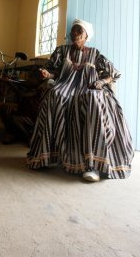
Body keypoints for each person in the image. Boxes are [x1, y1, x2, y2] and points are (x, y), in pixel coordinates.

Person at [26, 19, 134, 181]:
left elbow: (113, 74)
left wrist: (101, 82)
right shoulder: (62, 51)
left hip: (88, 87)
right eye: (73, 30)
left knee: (92, 99)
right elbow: (53, 71)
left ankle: (93, 165)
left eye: (79, 31)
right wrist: (48, 74)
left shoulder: (95, 53)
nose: (75, 33)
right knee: (55, 95)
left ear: (86, 35)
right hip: (65, 86)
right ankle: (47, 156)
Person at [0, 69, 52, 145]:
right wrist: (9, 81)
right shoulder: (29, 85)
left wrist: (10, 84)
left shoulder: (39, 89)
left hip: (31, 119)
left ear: (38, 80)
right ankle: (11, 133)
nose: (28, 80)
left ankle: (29, 137)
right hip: (21, 114)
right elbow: (22, 83)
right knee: (4, 109)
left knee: (15, 119)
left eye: (31, 78)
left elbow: (22, 94)